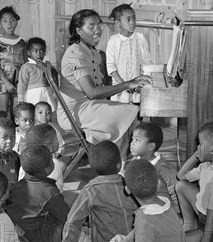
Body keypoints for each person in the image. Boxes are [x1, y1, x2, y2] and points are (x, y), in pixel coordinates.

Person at [76, 159, 188, 242]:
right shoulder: (164, 204)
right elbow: (134, 236)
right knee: (119, 240)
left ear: (127, 189)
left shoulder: (146, 219)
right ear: (157, 183)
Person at [57, 9, 151, 158]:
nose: (97, 31)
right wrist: (127, 84)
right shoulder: (75, 53)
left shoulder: (92, 52)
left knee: (133, 114)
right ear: (79, 30)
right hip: (75, 112)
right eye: (91, 27)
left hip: (89, 106)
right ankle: (118, 165)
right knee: (131, 116)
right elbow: (92, 92)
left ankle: (119, 163)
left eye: (99, 26)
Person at [62, 141, 138, 242]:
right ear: (119, 165)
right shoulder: (131, 184)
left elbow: (73, 220)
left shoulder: (91, 189)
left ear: (93, 168)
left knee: (77, 232)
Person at [8, 145, 70, 242]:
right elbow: (66, 217)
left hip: (17, 232)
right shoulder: (50, 191)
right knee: (69, 225)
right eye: (51, 160)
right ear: (48, 168)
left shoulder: (18, 185)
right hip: (39, 239)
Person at [126, 122, 180, 213]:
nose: (132, 144)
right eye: (132, 139)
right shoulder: (133, 163)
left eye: (137, 140)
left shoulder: (164, 169)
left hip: (162, 214)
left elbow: (176, 198)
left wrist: (174, 217)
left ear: (150, 146)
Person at [106, 4, 152, 103]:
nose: (132, 22)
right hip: (120, 90)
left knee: (137, 114)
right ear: (118, 23)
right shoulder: (113, 41)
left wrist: (142, 84)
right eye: (128, 19)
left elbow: (147, 63)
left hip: (139, 90)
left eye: (134, 18)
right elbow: (111, 67)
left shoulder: (141, 39)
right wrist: (124, 85)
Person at [0, 6, 28, 118]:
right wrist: (6, 82)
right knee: (4, 110)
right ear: (0, 24)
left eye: (12, 20)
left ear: (16, 21)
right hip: (3, 79)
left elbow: (26, 62)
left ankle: (16, 134)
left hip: (19, 78)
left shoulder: (22, 41)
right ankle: (2, 133)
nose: (9, 24)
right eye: (5, 21)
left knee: (16, 110)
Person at [19, 124, 65, 193]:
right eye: (56, 138)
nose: (58, 140)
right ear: (50, 146)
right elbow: (58, 190)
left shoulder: (24, 164)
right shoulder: (54, 165)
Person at [17, 37, 58, 112]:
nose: (39, 54)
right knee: (34, 113)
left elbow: (54, 78)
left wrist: (45, 68)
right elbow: (22, 84)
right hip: (33, 96)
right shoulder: (26, 67)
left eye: (42, 51)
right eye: (35, 51)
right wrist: (21, 100)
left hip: (47, 94)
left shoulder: (47, 65)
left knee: (48, 113)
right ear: (29, 53)